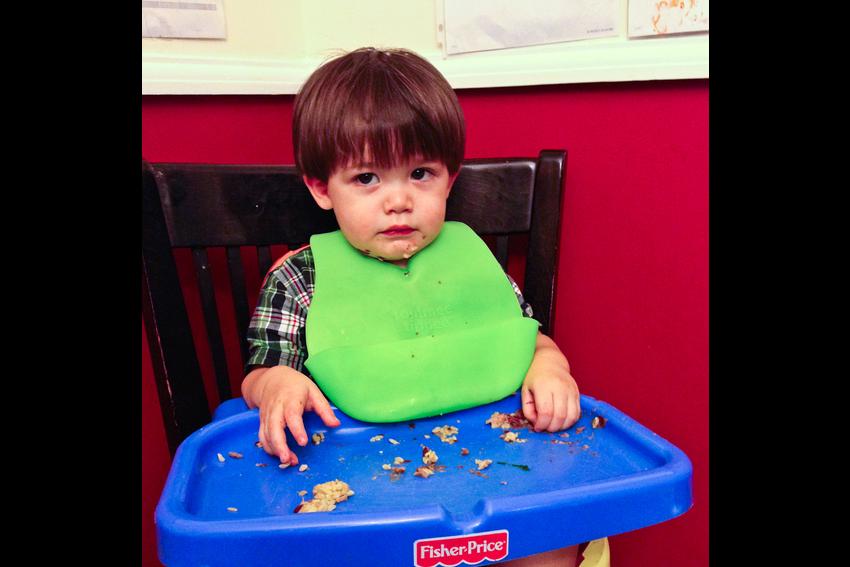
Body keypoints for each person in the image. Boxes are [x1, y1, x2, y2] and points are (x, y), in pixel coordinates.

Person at [241, 47, 605, 567]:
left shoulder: (472, 262)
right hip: (359, 487)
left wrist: (549, 366)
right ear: (322, 188)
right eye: (366, 178)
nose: (398, 200)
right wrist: (276, 383)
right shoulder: (300, 279)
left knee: (556, 537)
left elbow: (525, 337)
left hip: (492, 465)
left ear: (450, 179)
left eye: (420, 173)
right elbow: (261, 374)